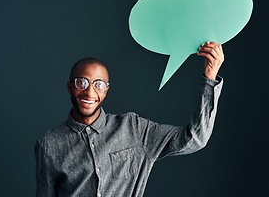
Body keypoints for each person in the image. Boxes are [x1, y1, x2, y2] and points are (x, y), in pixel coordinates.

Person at [35, 41, 224, 197]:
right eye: (81, 82)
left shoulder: (134, 129)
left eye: (98, 84)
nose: (90, 91)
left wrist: (209, 78)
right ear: (69, 87)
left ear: (106, 91)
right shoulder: (49, 145)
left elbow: (195, 138)